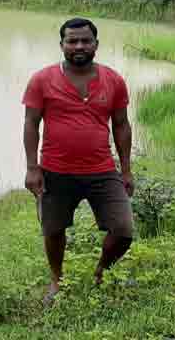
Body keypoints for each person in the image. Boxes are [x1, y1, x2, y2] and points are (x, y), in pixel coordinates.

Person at [21, 17, 134, 304]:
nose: (79, 46)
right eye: (72, 41)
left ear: (96, 44)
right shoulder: (42, 79)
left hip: (102, 169)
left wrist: (126, 170)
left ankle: (100, 272)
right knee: (54, 229)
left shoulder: (114, 80)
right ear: (62, 45)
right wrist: (32, 168)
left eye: (85, 40)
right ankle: (56, 282)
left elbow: (121, 125)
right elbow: (31, 123)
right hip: (55, 171)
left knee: (123, 231)